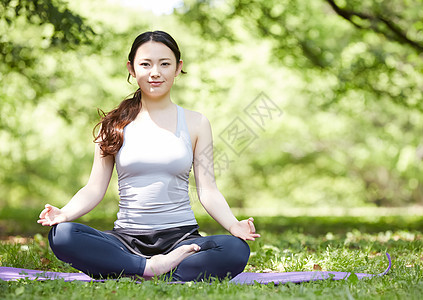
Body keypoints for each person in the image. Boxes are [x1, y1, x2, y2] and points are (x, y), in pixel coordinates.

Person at [37, 30, 260, 281]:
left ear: (178, 68)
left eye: (165, 64)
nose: (155, 72)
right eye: (146, 64)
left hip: (182, 241)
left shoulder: (196, 123)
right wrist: (64, 214)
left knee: (234, 250)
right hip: (126, 240)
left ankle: (136, 270)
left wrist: (233, 225)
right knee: (62, 235)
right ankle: (148, 269)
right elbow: (94, 188)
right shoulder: (113, 125)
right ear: (131, 68)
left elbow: (207, 190)